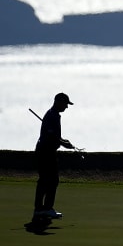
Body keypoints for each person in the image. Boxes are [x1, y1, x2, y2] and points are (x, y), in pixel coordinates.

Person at [33, 92, 76, 222]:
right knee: (49, 180)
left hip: (47, 151)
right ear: (58, 101)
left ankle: (42, 209)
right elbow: (52, 137)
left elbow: (55, 136)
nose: (66, 107)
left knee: (48, 180)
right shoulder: (52, 115)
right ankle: (43, 209)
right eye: (65, 104)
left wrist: (63, 141)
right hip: (45, 152)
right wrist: (64, 144)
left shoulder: (54, 115)